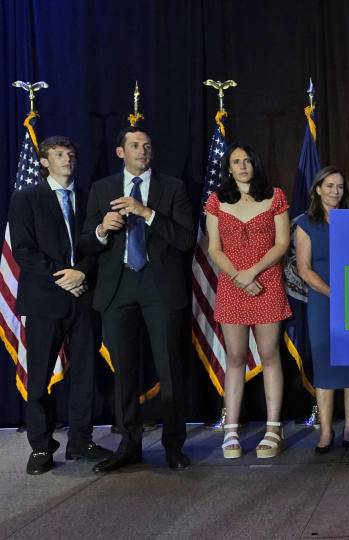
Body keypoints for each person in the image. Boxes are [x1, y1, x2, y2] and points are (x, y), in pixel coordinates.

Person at [80, 126, 194, 471]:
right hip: (118, 288)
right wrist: (102, 230)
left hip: (159, 287)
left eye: (147, 145)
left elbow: (186, 239)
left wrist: (147, 213)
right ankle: (129, 445)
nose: (142, 150)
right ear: (121, 153)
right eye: (134, 145)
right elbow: (85, 242)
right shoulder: (101, 189)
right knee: (124, 373)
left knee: (169, 370)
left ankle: (174, 446)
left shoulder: (172, 187)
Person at [9, 136, 112, 474]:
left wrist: (81, 272)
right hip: (44, 301)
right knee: (39, 377)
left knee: (84, 373)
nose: (67, 159)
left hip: (83, 299)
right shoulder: (27, 198)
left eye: (71, 154)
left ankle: (81, 440)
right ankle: (41, 446)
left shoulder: (86, 198)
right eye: (58, 154)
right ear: (43, 161)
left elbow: (97, 246)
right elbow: (23, 250)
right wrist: (62, 276)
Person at [204, 143, 292, 458]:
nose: (242, 166)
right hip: (232, 285)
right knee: (236, 358)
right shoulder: (216, 201)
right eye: (236, 162)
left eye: (247, 161)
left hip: (267, 282)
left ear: (255, 165)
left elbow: (282, 243)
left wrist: (253, 272)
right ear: (228, 168)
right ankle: (232, 431)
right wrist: (239, 276)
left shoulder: (275, 196)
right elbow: (214, 248)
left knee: (270, 355)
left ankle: (272, 428)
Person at [295, 166, 349, 453]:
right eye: (329, 186)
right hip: (322, 301)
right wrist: (332, 293)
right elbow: (304, 269)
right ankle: (326, 432)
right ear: (318, 189)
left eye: (339, 187)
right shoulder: (305, 223)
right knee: (326, 366)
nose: (335, 192)